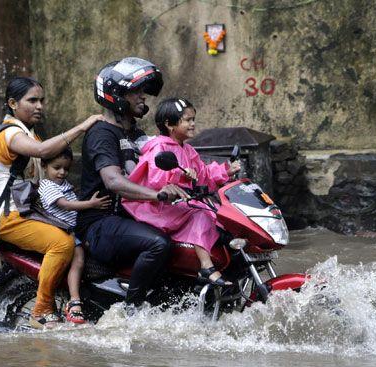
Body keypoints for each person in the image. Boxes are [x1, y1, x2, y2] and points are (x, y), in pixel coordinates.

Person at [0, 76, 104, 328]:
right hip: (10, 216)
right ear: (12, 103)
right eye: (32, 100)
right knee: (62, 244)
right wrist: (82, 127)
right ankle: (41, 310)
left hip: (28, 214)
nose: (39, 106)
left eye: (41, 100)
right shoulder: (9, 134)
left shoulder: (31, 135)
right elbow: (44, 153)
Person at [76, 57, 188, 311]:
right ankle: (133, 311)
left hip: (128, 219)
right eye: (135, 91)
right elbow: (113, 181)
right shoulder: (102, 133)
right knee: (158, 243)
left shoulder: (136, 134)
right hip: (99, 224)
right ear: (115, 94)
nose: (143, 97)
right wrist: (157, 195)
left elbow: (169, 160)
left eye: (143, 91)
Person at [122, 98, 241, 286]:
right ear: (169, 124)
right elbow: (157, 181)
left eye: (193, 119)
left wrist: (226, 170)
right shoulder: (159, 147)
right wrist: (181, 174)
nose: (193, 124)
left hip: (181, 203)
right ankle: (206, 267)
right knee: (201, 214)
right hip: (157, 206)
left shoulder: (188, 149)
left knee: (221, 213)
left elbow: (203, 176)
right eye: (187, 120)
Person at [37, 148, 110, 324]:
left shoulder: (64, 185)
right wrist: (91, 204)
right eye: (57, 167)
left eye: (66, 169)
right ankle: (74, 301)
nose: (62, 172)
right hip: (63, 231)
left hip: (74, 230)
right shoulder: (47, 185)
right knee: (78, 260)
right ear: (44, 166)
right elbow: (66, 205)